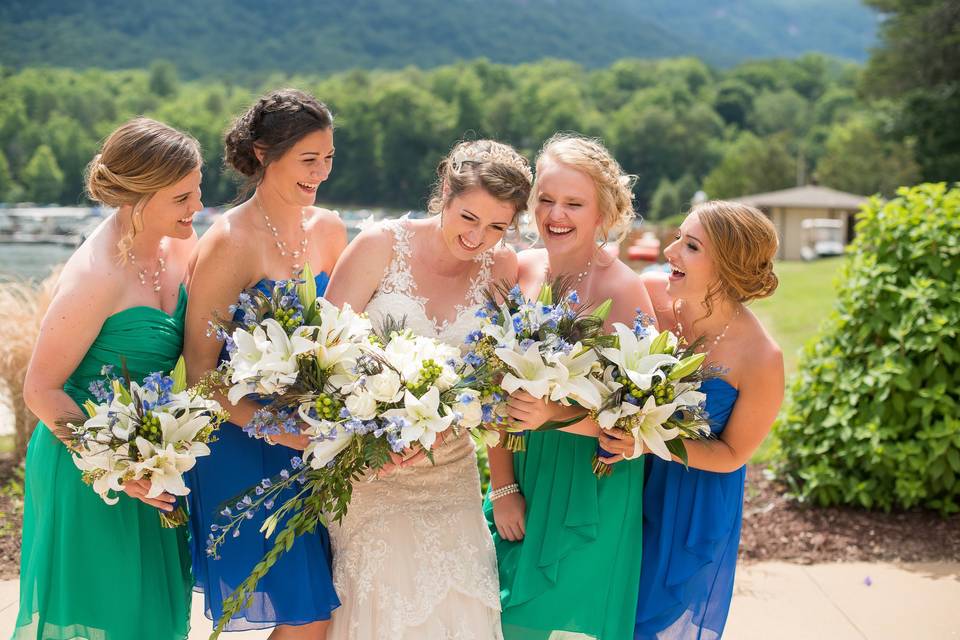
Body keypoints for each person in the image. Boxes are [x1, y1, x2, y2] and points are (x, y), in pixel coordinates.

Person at [322, 139, 532, 639]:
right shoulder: (378, 246)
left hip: (451, 469)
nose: (478, 237)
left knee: (462, 600)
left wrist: (501, 484)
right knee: (387, 592)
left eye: (497, 227)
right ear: (445, 192)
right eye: (468, 217)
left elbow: (496, 378)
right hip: (367, 469)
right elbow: (323, 358)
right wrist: (372, 443)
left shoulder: (501, 268)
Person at [14, 118, 202, 640]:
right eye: (182, 196)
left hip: (155, 460)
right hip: (87, 468)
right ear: (137, 199)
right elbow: (40, 390)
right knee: (105, 618)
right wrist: (119, 470)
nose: (198, 207)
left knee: (154, 616)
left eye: (199, 188)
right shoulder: (95, 276)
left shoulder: (178, 247)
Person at [183, 89, 344, 637]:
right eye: (307, 159)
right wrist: (277, 429)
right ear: (262, 153)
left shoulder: (330, 229)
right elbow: (201, 376)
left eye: (327, 158)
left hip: (316, 450)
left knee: (312, 612)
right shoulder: (229, 241)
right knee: (307, 616)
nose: (320, 172)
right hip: (245, 445)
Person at [484, 133, 656, 640]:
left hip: (592, 486)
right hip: (522, 467)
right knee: (502, 619)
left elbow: (636, 424)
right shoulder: (517, 270)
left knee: (560, 624)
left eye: (574, 203)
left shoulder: (623, 290)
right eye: (546, 199)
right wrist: (504, 486)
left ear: (603, 213)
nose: (555, 214)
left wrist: (556, 416)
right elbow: (492, 391)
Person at [600, 200, 784, 639]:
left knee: (649, 621)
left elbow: (732, 455)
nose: (670, 251)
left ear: (727, 265)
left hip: (691, 502)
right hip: (624, 483)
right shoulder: (651, 293)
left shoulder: (761, 357)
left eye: (691, 246)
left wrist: (647, 441)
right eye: (679, 237)